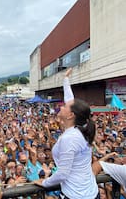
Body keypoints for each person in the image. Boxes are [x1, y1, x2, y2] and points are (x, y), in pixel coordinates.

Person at [34, 68, 99, 199]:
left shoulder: (70, 138)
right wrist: (66, 79)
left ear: (70, 115)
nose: (61, 106)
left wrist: (45, 182)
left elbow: (63, 173)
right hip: (89, 192)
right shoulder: (79, 128)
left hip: (76, 195)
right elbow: (70, 99)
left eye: (64, 106)